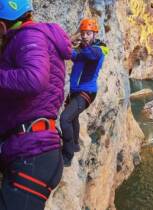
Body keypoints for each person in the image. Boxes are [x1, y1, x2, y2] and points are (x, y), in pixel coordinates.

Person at [0, 0, 71, 209]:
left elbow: (34, 78)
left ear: (2, 25)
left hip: (32, 156)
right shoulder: (28, 39)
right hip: (35, 152)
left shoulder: (29, 35)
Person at [60, 18, 109, 167]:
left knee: (64, 119)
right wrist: (72, 42)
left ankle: (67, 156)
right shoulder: (83, 51)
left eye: (88, 33)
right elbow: (68, 53)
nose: (85, 36)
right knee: (73, 117)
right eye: (83, 33)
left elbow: (90, 54)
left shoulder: (97, 50)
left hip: (86, 92)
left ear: (94, 34)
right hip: (76, 91)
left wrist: (77, 41)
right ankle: (74, 144)